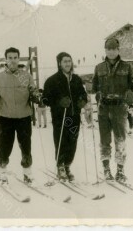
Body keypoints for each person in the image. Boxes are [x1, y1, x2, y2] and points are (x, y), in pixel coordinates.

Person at [92, 38, 133, 182]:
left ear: (118, 50)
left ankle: (120, 171)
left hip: (119, 108)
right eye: (108, 49)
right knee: (104, 140)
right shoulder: (99, 67)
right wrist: (93, 97)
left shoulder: (126, 67)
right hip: (103, 108)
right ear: (105, 50)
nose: (111, 51)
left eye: (113, 49)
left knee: (120, 139)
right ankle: (106, 170)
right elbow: (94, 86)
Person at [0, 47, 38, 184]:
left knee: (26, 146)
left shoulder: (27, 76)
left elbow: (33, 91)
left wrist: (37, 97)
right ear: (6, 59)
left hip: (24, 117)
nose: (12, 61)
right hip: (6, 118)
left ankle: (27, 173)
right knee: (5, 146)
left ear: (18, 59)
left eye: (15, 57)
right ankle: (2, 172)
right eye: (10, 58)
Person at [43, 52, 88, 181]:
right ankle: (60, 166)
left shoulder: (77, 79)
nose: (68, 63)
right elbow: (45, 99)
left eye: (69, 61)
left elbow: (83, 94)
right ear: (59, 63)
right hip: (60, 117)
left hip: (74, 116)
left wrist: (82, 101)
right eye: (65, 61)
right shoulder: (52, 80)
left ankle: (67, 165)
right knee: (61, 141)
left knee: (72, 142)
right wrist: (58, 102)